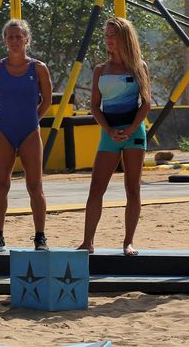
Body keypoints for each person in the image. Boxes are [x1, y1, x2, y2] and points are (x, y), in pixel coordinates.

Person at [78, 17, 150, 256]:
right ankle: (87, 242)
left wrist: (130, 129)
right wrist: (109, 130)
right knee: (96, 188)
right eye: (107, 35)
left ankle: (128, 242)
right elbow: (95, 106)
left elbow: (146, 103)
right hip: (109, 132)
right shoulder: (100, 70)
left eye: (113, 35)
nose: (109, 40)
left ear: (125, 38)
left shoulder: (139, 66)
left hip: (134, 132)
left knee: (133, 188)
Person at [0, 20, 52, 253]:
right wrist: (2, 114)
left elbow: (47, 100)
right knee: (1, 185)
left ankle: (40, 237)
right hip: (4, 131)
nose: (14, 41)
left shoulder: (38, 68)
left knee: (35, 186)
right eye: (10, 37)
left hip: (29, 132)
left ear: (26, 40)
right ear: (5, 41)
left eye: (18, 37)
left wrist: (34, 119)